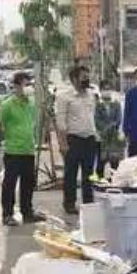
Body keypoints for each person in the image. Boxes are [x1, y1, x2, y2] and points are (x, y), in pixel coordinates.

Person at [0, 72, 46, 226]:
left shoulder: (30, 104)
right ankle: (7, 214)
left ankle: (27, 212)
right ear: (17, 86)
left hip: (28, 150)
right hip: (13, 151)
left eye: (29, 84)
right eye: (26, 84)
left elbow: (33, 123)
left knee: (28, 183)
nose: (28, 88)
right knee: (10, 184)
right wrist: (4, 139)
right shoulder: (7, 105)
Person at [55, 65, 98, 215]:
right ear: (74, 79)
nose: (87, 79)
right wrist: (63, 144)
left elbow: (92, 117)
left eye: (87, 76)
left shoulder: (91, 94)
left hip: (90, 139)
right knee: (71, 174)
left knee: (89, 174)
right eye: (83, 77)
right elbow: (60, 122)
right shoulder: (64, 96)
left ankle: (88, 202)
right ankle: (69, 203)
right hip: (73, 140)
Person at [94, 80, 123, 178]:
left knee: (115, 164)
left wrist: (111, 127)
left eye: (109, 89)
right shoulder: (97, 105)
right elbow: (97, 121)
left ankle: (115, 183)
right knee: (100, 163)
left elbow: (118, 119)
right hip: (101, 138)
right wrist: (106, 129)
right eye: (105, 89)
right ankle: (99, 183)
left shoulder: (116, 104)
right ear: (100, 90)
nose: (107, 91)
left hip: (114, 138)